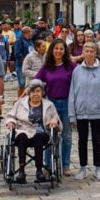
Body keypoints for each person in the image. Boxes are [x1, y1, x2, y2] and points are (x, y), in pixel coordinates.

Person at [68, 42, 100, 181]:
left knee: (97, 140)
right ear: (83, 53)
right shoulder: (77, 71)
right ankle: (83, 167)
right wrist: (72, 113)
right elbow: (72, 93)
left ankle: (98, 167)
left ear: (95, 53)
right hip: (81, 111)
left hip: (96, 111)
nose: (89, 54)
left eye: (92, 51)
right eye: (86, 51)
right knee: (82, 140)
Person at [5, 79, 62, 183]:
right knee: (22, 136)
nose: (35, 94)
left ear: (42, 93)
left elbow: (57, 119)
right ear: (29, 93)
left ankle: (39, 171)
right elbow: (10, 115)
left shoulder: (49, 104)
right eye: (33, 91)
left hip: (41, 133)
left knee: (38, 137)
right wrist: (11, 122)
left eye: (38, 91)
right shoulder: (20, 103)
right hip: (23, 130)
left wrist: (54, 120)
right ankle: (21, 171)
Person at [35, 39, 77, 176]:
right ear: (51, 50)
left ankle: (65, 165)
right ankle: (47, 164)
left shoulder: (71, 66)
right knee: (48, 134)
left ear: (65, 51)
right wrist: (22, 96)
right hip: (50, 104)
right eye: (56, 48)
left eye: (61, 49)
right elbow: (35, 82)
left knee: (67, 135)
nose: (58, 51)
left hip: (66, 103)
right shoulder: (47, 67)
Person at [14, 26, 33, 97]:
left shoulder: (30, 41)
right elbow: (17, 53)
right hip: (21, 65)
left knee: (28, 84)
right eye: (31, 31)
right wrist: (24, 61)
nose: (32, 33)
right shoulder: (19, 41)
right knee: (22, 84)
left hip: (30, 65)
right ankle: (19, 99)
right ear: (26, 32)